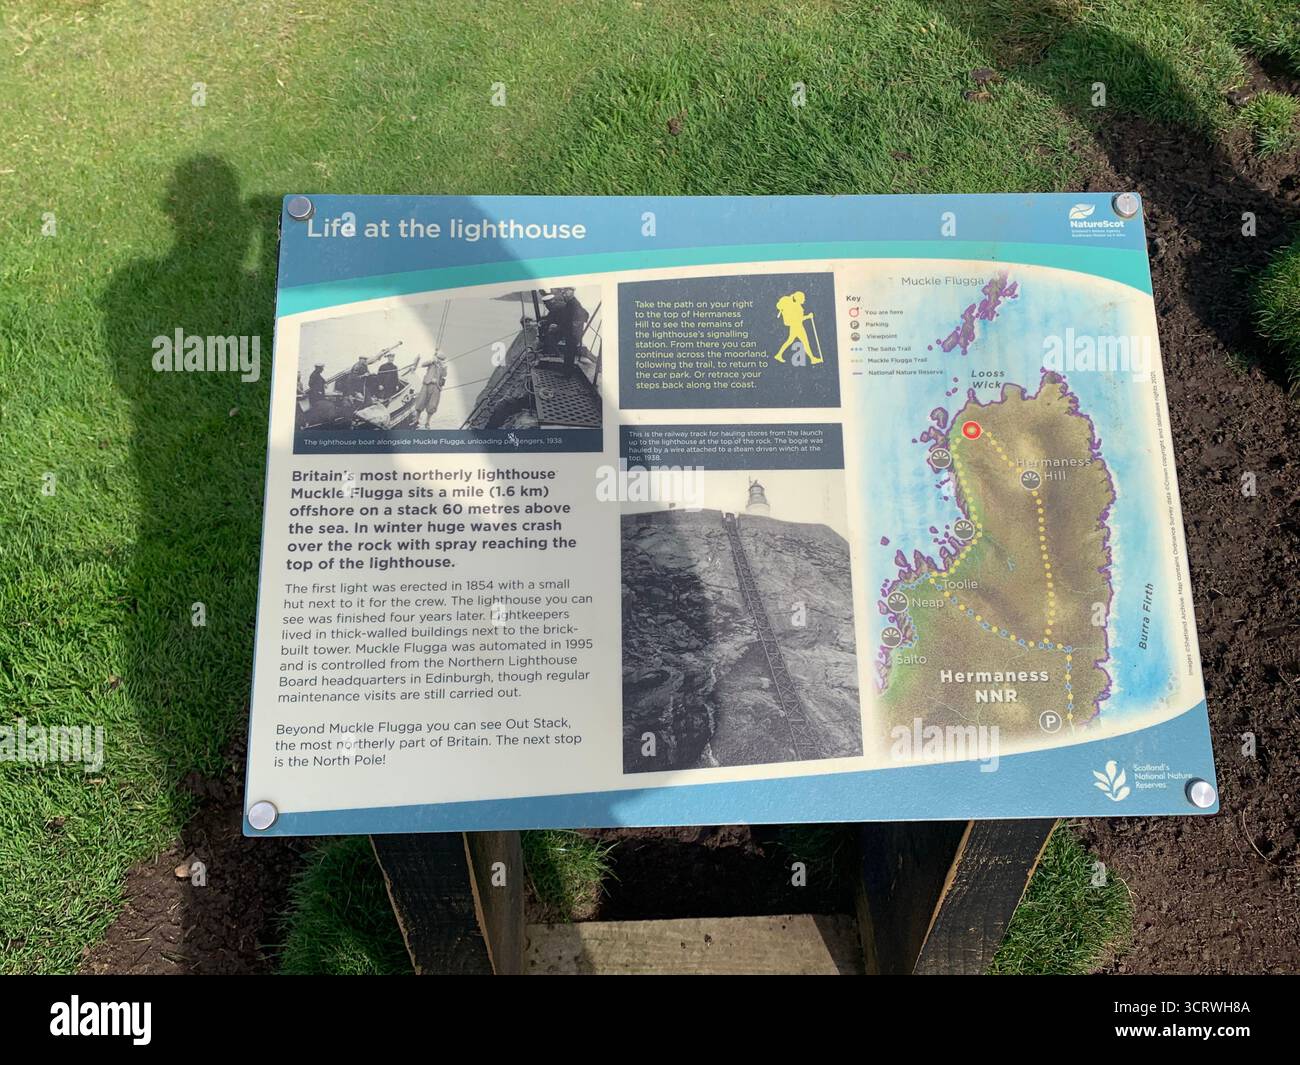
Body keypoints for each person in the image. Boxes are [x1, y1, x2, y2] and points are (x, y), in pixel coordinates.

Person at [774, 291, 821, 364]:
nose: (804, 300)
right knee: (805, 342)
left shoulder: (796, 305)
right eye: (803, 298)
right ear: (799, 299)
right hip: (797, 326)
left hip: (795, 326)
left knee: (790, 341)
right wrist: (808, 316)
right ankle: (812, 359)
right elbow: (799, 318)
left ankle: (778, 355)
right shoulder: (796, 307)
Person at [412, 352, 447, 428]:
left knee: (432, 405)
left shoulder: (443, 366)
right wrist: (431, 360)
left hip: (436, 388)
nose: (439, 360)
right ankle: (416, 420)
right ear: (436, 358)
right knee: (420, 402)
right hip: (426, 385)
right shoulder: (431, 363)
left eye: (441, 359)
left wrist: (443, 367)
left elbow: (444, 375)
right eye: (438, 358)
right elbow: (422, 364)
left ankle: (427, 423)